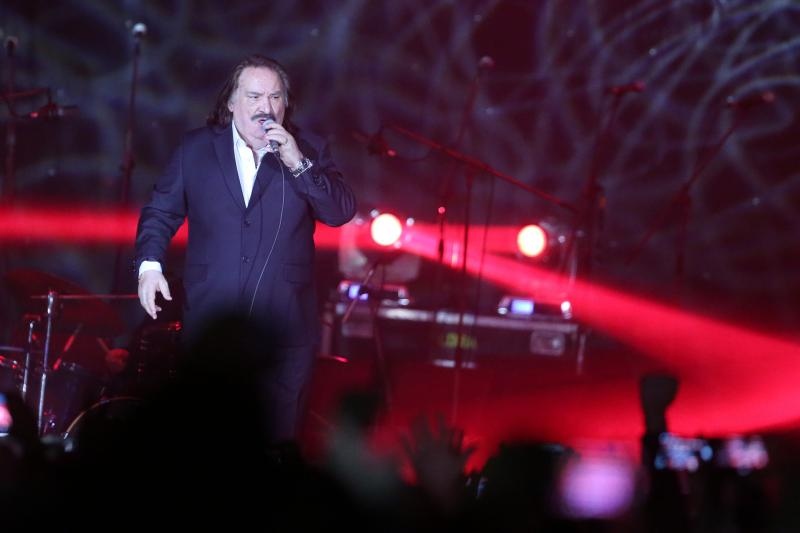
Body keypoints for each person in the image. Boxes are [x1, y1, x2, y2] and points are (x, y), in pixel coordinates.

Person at [133, 54, 357, 442]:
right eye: (254, 97)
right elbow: (160, 210)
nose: (264, 108)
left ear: (286, 104)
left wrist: (297, 162)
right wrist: (149, 265)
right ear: (231, 102)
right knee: (208, 440)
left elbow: (339, 212)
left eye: (274, 97)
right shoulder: (196, 149)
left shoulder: (309, 150)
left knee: (275, 444)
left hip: (284, 325)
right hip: (212, 320)